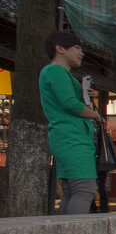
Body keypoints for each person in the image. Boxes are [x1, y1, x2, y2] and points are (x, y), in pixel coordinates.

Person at [39, 31, 102, 214]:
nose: (81, 53)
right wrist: (95, 116)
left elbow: (69, 101)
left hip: (67, 138)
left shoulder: (56, 73)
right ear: (60, 49)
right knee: (84, 190)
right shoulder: (55, 71)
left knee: (71, 191)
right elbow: (69, 104)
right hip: (72, 139)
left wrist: (84, 97)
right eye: (77, 48)